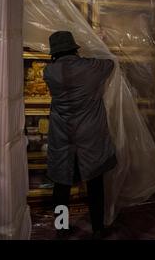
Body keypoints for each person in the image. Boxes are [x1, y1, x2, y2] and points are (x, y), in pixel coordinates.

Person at [43, 31, 116, 239]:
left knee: (61, 185)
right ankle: (98, 228)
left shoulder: (48, 72)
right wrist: (101, 43)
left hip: (62, 136)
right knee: (94, 184)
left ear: (54, 52)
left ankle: (62, 227)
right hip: (90, 135)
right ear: (74, 48)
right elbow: (110, 63)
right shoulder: (92, 68)